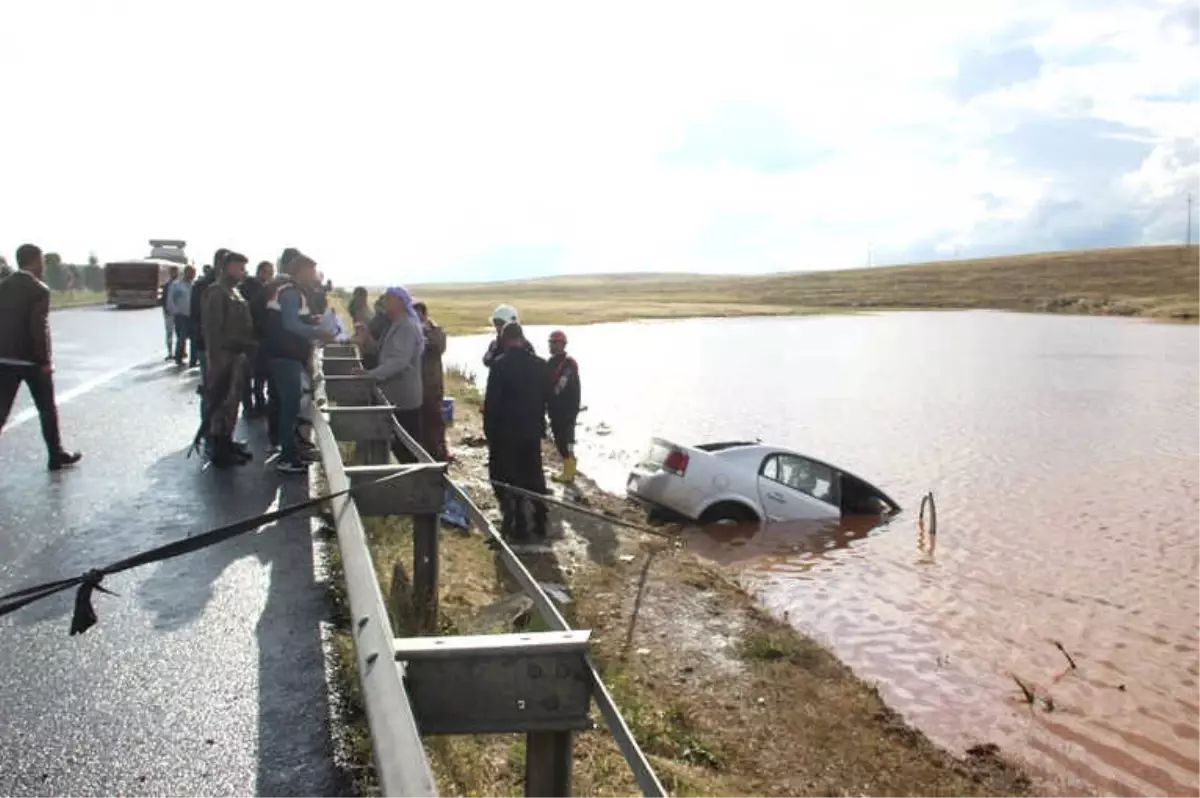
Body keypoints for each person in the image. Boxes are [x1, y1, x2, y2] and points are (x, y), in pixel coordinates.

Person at [0, 244, 83, 470]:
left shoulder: (3, 286)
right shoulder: (39, 289)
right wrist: (45, 360)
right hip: (31, 360)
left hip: (4, 359)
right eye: (42, 261)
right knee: (47, 409)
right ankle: (55, 455)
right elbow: (39, 327)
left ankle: (57, 454)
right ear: (35, 261)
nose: (43, 266)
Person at [264, 249, 333, 474]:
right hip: (285, 357)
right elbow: (291, 325)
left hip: (284, 355)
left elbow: (293, 320)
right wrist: (318, 332)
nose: (315, 275)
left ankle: (292, 452)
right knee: (290, 407)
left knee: (291, 406)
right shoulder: (293, 293)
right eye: (312, 271)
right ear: (302, 271)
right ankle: (287, 457)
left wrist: (311, 321)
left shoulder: (292, 292)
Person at [483, 321, 550, 541]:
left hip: (506, 432)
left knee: (506, 477)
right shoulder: (540, 365)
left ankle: (517, 521)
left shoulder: (500, 366)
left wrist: (489, 432)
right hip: (531, 430)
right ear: (522, 338)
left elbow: (492, 403)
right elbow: (547, 399)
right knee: (533, 475)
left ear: (505, 340)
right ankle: (540, 521)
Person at [353, 287, 424, 463]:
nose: (384, 302)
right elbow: (382, 353)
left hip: (404, 397)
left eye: (389, 299)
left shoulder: (407, 326)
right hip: (395, 395)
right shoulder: (395, 324)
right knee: (397, 444)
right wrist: (367, 337)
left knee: (406, 447)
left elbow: (399, 361)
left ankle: (413, 484)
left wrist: (371, 374)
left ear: (400, 302)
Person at [198, 251, 257, 468]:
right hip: (223, 357)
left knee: (233, 404)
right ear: (226, 267)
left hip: (236, 356)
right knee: (221, 405)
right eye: (239, 268)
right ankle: (219, 450)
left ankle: (228, 442)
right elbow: (212, 331)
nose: (243, 273)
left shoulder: (234, 292)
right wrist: (215, 363)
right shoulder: (216, 292)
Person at [238, 260, 274, 418]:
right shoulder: (250, 287)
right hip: (251, 336)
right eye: (267, 272)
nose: (269, 275)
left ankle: (259, 403)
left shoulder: (264, 288)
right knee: (249, 374)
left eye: (271, 272)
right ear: (260, 271)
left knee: (259, 374)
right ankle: (249, 406)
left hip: (261, 336)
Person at [413, 301, 448, 461]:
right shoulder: (411, 331)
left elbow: (439, 347)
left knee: (436, 423)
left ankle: (440, 454)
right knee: (421, 426)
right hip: (417, 387)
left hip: (432, 386)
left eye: (419, 315)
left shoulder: (436, 331)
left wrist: (425, 333)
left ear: (425, 315)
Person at [546, 330, 581, 484]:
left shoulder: (569, 363)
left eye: (555, 342)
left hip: (567, 409)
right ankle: (569, 467)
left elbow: (561, 383)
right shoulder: (550, 362)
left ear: (563, 344)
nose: (552, 345)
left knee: (566, 439)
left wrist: (550, 395)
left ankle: (569, 470)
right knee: (559, 438)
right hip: (555, 409)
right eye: (551, 342)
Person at [482, 304, 534, 368]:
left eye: (500, 323)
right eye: (495, 323)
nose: (497, 327)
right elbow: (487, 360)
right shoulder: (495, 344)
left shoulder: (526, 345)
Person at [167, 265, 196, 366]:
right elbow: (170, 300)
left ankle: (193, 360)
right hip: (181, 316)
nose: (192, 275)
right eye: (191, 273)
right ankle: (179, 358)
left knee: (194, 338)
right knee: (181, 338)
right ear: (186, 273)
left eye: (194, 273)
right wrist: (175, 312)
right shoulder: (177, 285)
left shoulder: (194, 285)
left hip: (192, 315)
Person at [161, 266, 179, 360]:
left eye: (175, 272)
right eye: (172, 272)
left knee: (179, 333)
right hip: (169, 313)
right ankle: (170, 352)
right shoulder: (167, 285)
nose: (174, 274)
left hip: (179, 313)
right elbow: (164, 299)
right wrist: (166, 309)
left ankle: (179, 352)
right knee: (169, 333)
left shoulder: (180, 284)